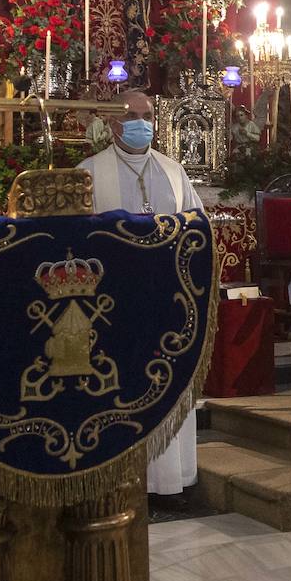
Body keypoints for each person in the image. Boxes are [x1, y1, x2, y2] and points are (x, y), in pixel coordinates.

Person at [79, 90, 202, 495]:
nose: (139, 122)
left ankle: (171, 481)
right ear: (112, 121)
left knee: (169, 382)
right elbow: (76, 242)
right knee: (124, 387)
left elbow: (197, 229)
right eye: (130, 114)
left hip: (168, 299)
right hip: (113, 303)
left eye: (146, 114)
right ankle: (122, 482)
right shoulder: (89, 172)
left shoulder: (173, 170)